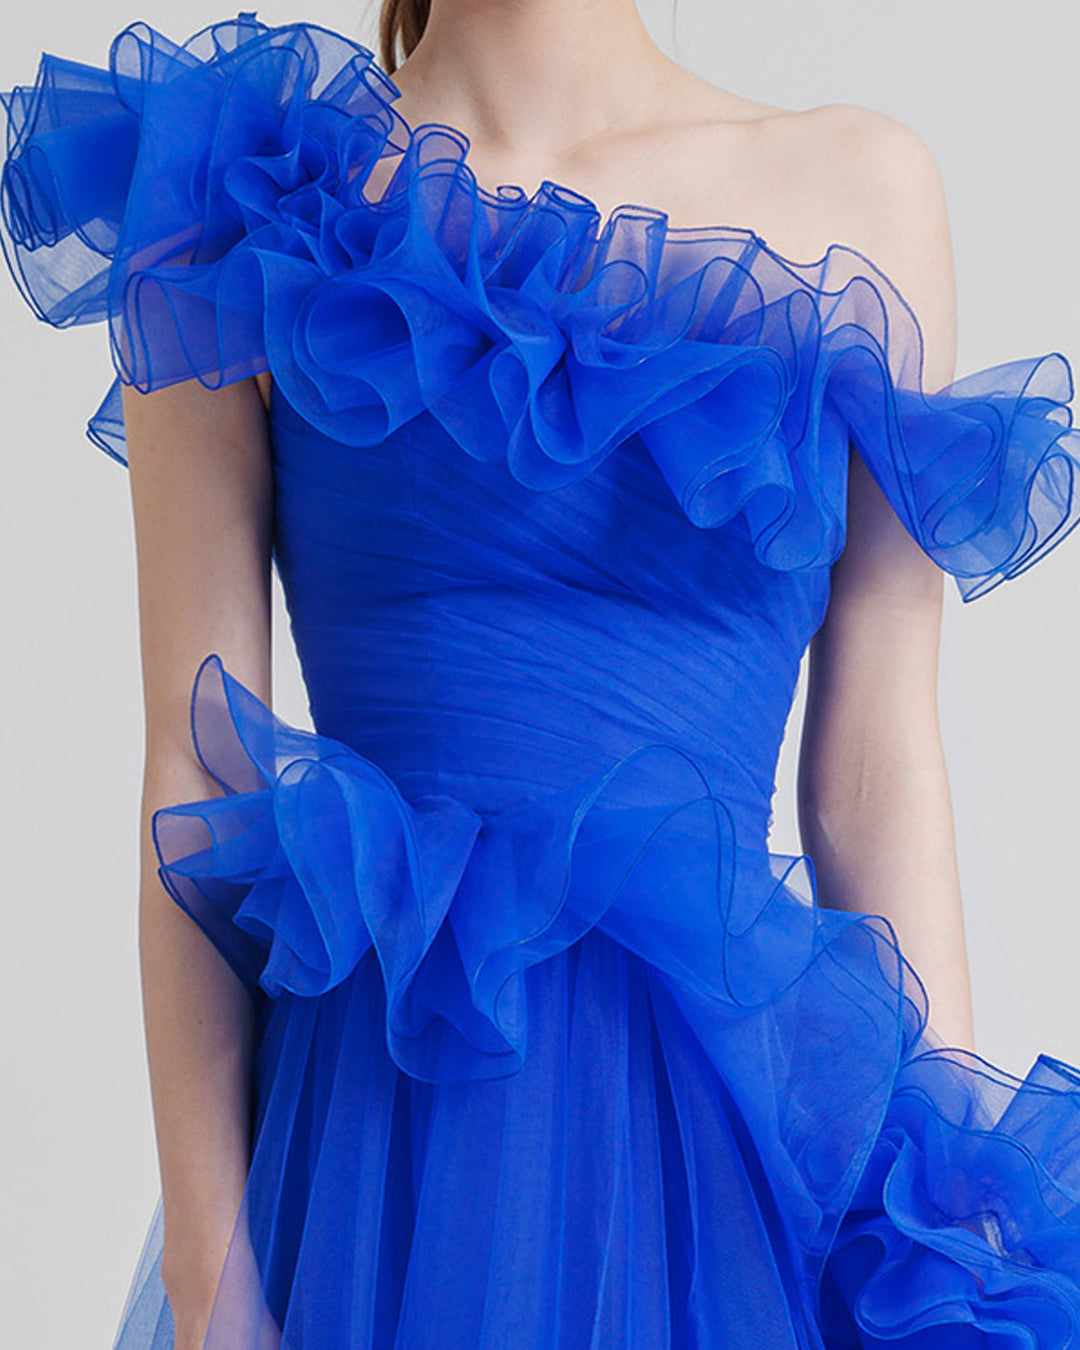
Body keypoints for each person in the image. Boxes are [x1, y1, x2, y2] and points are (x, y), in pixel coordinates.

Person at [3, 3, 1080, 1347]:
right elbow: (195, 747)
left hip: (725, 1165)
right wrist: (214, 1279)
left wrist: (944, 1239)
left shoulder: (859, 192)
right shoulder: (238, 183)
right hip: (373, 1153)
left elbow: (873, 772)